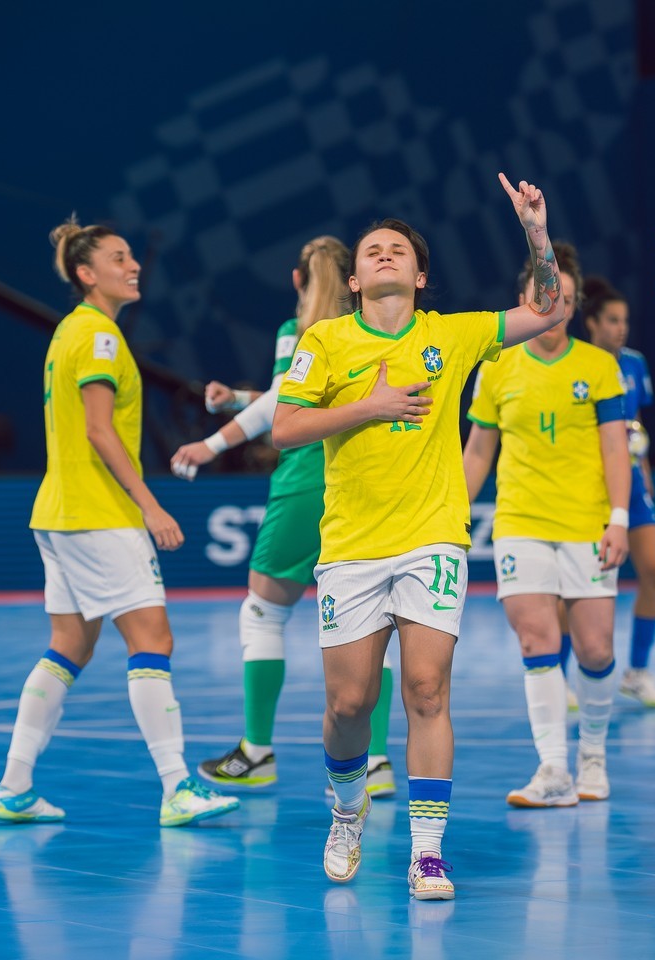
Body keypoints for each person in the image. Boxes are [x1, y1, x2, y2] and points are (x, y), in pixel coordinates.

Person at [273, 173, 570, 901]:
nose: (384, 255)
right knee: (349, 705)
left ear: (420, 275)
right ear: (353, 279)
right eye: (372, 250)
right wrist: (368, 407)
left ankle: (428, 853)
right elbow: (284, 430)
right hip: (351, 545)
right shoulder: (325, 341)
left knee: (427, 689)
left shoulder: (451, 333)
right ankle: (347, 811)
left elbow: (548, 308)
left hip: (433, 536)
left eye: (398, 250)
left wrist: (536, 231)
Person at [0, 216, 239, 828]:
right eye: (118, 257)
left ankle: (14, 787)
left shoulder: (70, 331)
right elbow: (100, 431)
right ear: (86, 273)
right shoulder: (100, 337)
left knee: (70, 645)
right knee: (153, 639)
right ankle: (178, 788)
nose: (133, 265)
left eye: (131, 256)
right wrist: (150, 505)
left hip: (59, 511)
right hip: (99, 513)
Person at [168, 236, 398, 797]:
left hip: (305, 481)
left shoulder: (298, 332)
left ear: (297, 280)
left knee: (264, 613)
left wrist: (212, 442)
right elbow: (300, 394)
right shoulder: (374, 328)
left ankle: (256, 752)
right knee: (375, 621)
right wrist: (237, 398)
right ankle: (377, 762)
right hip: (366, 482)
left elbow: (282, 404)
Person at [463, 242, 632, 808]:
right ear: (523, 299)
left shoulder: (600, 367)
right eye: (544, 294)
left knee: (596, 650)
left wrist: (619, 519)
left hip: (587, 525)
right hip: (521, 522)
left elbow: (616, 450)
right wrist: (452, 514)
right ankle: (554, 769)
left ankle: (593, 756)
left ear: (574, 305)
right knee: (538, 640)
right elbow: (478, 452)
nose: (554, 305)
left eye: (564, 297)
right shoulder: (497, 366)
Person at [579, 275, 655, 709]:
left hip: (632, 483)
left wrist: (644, 469)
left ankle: (637, 672)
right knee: (581, 586)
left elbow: (635, 428)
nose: (621, 328)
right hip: (587, 486)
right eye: (612, 320)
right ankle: (561, 673)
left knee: (654, 572)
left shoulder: (635, 364)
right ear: (593, 323)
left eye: (625, 321)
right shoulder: (577, 363)